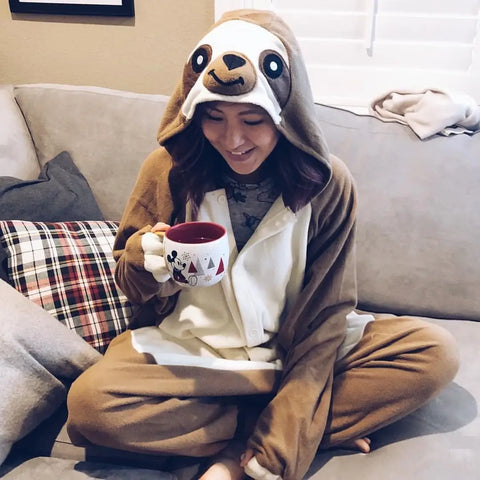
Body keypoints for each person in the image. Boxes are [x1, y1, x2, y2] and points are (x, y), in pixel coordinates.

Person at [66, 9, 459, 480]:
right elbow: (131, 285)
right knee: (92, 407)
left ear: (285, 114)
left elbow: (325, 314)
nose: (233, 140)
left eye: (252, 119)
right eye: (214, 117)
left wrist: (279, 451)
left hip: (296, 346)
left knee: (433, 353)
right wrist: (144, 264)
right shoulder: (166, 169)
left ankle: (253, 441)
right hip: (198, 349)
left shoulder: (328, 185)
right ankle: (284, 420)